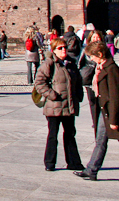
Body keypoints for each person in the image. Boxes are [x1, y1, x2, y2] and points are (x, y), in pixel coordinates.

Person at [34, 37, 84, 172]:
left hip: (69, 105)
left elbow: (78, 81)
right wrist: (52, 95)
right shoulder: (49, 63)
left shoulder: (71, 64)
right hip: (54, 106)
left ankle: (74, 162)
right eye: (60, 48)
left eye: (65, 47)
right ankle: (50, 163)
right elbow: (39, 82)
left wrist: (79, 95)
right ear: (54, 50)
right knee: (53, 135)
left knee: (70, 134)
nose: (63, 50)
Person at [75, 41, 118, 181]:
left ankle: (91, 169)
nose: (91, 59)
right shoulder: (101, 67)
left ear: (99, 54)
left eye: (92, 56)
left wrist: (113, 120)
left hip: (111, 113)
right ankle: (91, 170)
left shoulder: (112, 69)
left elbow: (115, 96)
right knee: (100, 140)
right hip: (104, 111)